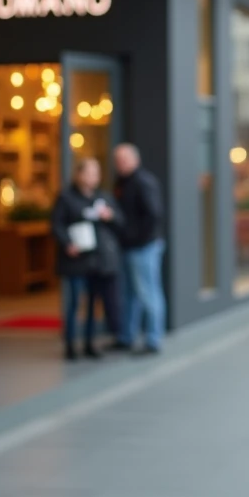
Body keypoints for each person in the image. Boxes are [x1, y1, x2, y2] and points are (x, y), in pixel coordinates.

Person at [51, 158, 122, 361]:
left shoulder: (103, 197)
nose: (93, 178)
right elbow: (56, 224)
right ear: (79, 174)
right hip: (75, 258)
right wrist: (67, 243)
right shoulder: (66, 197)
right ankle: (71, 344)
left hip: (95, 259)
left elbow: (119, 221)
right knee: (74, 303)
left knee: (92, 303)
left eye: (96, 173)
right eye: (90, 173)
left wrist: (111, 216)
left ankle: (90, 342)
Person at [112, 143, 166, 355]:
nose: (120, 164)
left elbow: (154, 215)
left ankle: (153, 339)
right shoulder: (122, 183)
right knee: (129, 295)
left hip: (144, 247)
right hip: (129, 246)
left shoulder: (143, 182)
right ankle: (127, 336)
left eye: (124, 159)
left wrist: (138, 238)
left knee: (148, 293)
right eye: (118, 160)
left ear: (135, 159)